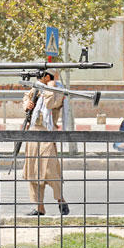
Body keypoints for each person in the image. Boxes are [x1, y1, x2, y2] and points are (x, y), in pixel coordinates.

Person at [23, 71, 70, 217]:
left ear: (48, 78)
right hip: (33, 133)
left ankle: (60, 200)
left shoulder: (58, 91)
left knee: (51, 171)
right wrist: (27, 105)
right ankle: (39, 207)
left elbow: (51, 103)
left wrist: (51, 87)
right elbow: (26, 100)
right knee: (33, 172)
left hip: (48, 134)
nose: (38, 79)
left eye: (41, 76)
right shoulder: (35, 89)